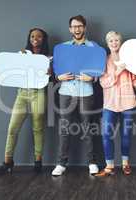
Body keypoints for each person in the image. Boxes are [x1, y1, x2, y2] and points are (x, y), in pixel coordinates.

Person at [95, 31, 136, 177]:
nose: (114, 43)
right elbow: (103, 83)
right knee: (106, 134)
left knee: (126, 135)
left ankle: (125, 164)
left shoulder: (130, 60)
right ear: (107, 43)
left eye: (117, 40)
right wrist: (117, 72)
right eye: (111, 41)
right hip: (110, 104)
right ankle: (109, 166)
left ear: (121, 42)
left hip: (128, 103)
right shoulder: (104, 60)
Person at [0, 28, 51, 174]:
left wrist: (51, 72)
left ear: (43, 39)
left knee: (38, 128)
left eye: (39, 36)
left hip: (39, 93)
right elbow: (10, 70)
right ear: (29, 38)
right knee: (12, 128)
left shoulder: (48, 57)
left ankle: (38, 162)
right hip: (22, 93)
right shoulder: (22, 55)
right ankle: (7, 162)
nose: (35, 38)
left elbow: (52, 77)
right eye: (32, 36)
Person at [52, 15, 100, 176]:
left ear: (84, 27)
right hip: (66, 92)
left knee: (87, 128)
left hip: (86, 92)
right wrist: (59, 78)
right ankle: (61, 164)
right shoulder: (62, 48)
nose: (77, 29)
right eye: (74, 26)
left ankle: (92, 162)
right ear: (70, 29)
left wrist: (92, 78)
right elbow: (55, 71)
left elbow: (99, 70)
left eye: (80, 26)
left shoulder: (94, 47)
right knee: (64, 129)